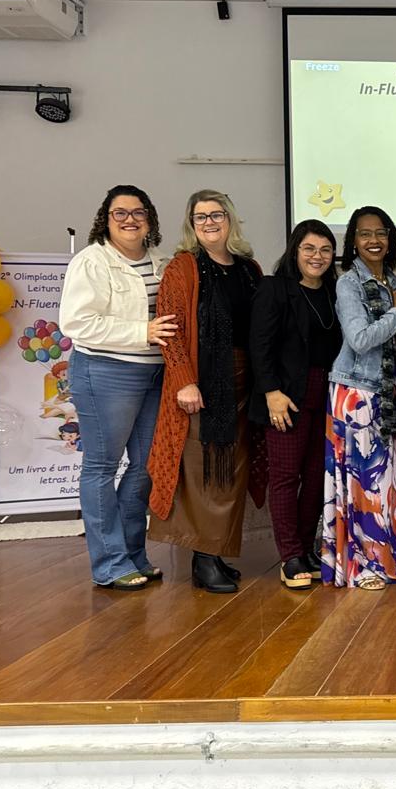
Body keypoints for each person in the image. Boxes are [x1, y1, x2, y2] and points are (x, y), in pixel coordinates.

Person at [148, 190, 266, 594]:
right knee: (203, 470)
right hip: (200, 382)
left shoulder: (250, 268)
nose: (209, 222)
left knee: (232, 468)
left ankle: (216, 552)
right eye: (200, 217)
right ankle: (203, 559)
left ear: (230, 219)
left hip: (243, 381)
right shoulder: (182, 268)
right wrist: (184, 380)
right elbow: (170, 331)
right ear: (191, 225)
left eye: (217, 215)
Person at [60, 185, 175, 591]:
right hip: (105, 372)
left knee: (145, 468)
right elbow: (76, 323)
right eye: (119, 213)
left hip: (155, 375)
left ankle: (132, 554)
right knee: (102, 467)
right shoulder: (91, 261)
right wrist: (141, 331)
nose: (130, 219)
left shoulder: (163, 262)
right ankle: (109, 563)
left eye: (138, 212)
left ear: (150, 218)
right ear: (105, 220)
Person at [325, 206, 396, 589]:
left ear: (391, 239)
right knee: (365, 482)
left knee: (391, 480)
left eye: (381, 233)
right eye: (365, 234)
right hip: (358, 392)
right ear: (353, 242)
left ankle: (392, 558)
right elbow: (360, 340)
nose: (374, 240)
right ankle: (364, 566)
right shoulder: (349, 283)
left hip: (391, 394)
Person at [249, 220, 341, 590]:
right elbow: (260, 344)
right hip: (285, 395)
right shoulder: (274, 289)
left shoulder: (335, 291)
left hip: (329, 394)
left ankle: (305, 547)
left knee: (319, 477)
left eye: (325, 250)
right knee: (286, 477)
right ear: (294, 251)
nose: (317, 257)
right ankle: (289, 555)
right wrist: (271, 391)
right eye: (309, 249)